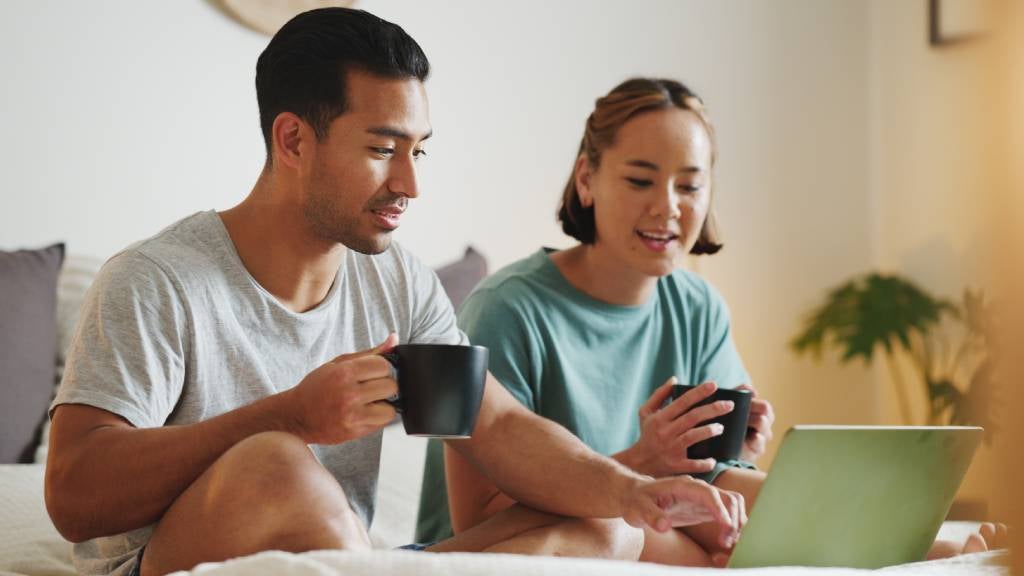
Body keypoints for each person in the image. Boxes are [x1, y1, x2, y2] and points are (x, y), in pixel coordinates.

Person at [43, 10, 747, 576]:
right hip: (171, 560)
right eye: (383, 149)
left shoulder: (396, 277)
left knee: (608, 527)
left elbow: (495, 426)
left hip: (358, 558)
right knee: (274, 462)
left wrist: (632, 491)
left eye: (419, 150)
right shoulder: (157, 279)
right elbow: (73, 494)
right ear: (292, 140)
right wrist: (289, 416)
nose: (411, 184)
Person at [416, 77, 1009, 566]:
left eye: (690, 186)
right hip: (527, 537)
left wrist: (741, 445)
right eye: (641, 180)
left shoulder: (696, 306)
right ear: (588, 180)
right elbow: (480, 518)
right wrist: (642, 464)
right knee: (669, 541)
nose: (668, 207)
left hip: (656, 512)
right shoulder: (508, 308)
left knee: (751, 504)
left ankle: (930, 552)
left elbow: (722, 479)